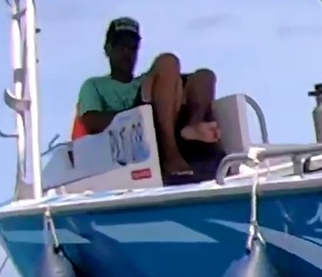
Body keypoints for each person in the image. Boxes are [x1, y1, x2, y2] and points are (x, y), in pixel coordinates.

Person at [72, 15, 227, 181]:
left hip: (166, 122)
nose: (127, 52)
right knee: (168, 61)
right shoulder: (94, 85)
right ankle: (170, 153)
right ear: (108, 48)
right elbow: (91, 121)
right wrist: (138, 115)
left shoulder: (144, 81)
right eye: (121, 46)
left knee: (204, 76)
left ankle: (194, 127)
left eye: (133, 47)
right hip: (131, 140)